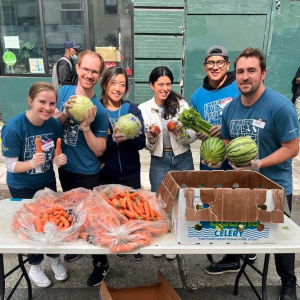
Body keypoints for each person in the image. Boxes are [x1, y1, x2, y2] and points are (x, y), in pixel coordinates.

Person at [221, 47, 299, 300]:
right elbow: (225, 139)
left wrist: (259, 163)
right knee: (242, 230)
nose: (245, 76)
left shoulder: (280, 107)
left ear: (263, 73)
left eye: (251, 71)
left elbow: (292, 147)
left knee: (282, 243)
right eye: (240, 71)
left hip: (274, 186)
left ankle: (288, 282)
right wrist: (228, 156)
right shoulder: (230, 108)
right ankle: (240, 262)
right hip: (242, 185)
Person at [191, 45, 256, 274]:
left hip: (237, 157)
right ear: (205, 66)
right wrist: (196, 133)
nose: (215, 67)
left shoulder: (239, 89)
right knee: (215, 201)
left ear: (228, 65)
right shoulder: (197, 95)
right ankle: (226, 244)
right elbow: (190, 128)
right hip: (210, 157)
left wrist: (229, 134)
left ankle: (238, 252)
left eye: (220, 62)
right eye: (211, 63)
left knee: (239, 202)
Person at [1, 82, 68, 288]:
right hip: (22, 186)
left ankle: (55, 258)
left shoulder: (54, 124)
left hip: (46, 182)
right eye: (42, 102)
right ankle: (35, 264)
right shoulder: (13, 128)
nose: (47, 108)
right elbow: (10, 165)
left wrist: (58, 160)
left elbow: (54, 153)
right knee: (32, 228)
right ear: (30, 101)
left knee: (52, 223)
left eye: (52, 103)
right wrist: (31, 163)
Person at [54, 50, 110, 287]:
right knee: (73, 215)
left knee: (93, 220)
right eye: (85, 69)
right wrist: (66, 112)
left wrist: (86, 127)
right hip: (65, 168)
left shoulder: (100, 111)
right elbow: (53, 126)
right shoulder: (63, 93)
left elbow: (99, 150)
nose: (89, 74)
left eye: (94, 71)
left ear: (99, 75)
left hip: (87, 172)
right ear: (77, 69)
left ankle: (101, 262)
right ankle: (80, 247)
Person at [139, 66, 196, 261]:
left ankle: (176, 238)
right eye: (160, 84)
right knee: (160, 201)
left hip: (183, 157)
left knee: (182, 199)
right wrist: (152, 137)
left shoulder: (181, 105)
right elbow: (146, 145)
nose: (164, 88)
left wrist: (179, 132)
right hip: (159, 160)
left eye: (168, 84)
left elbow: (192, 137)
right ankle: (161, 236)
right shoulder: (144, 109)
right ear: (151, 85)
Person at [99, 66, 146, 261]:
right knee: (113, 212)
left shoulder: (131, 109)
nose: (118, 88)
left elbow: (141, 143)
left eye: (122, 84)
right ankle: (118, 241)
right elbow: (96, 145)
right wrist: (112, 141)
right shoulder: (97, 110)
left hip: (130, 171)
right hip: (105, 172)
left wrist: (127, 137)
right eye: (113, 83)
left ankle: (135, 241)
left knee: (134, 211)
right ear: (104, 84)